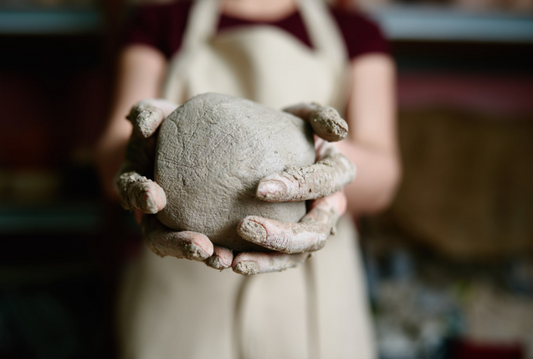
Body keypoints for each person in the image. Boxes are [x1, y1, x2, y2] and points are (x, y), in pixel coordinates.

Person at [95, 0, 400, 358]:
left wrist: (324, 157)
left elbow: (384, 177)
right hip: (183, 291)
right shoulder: (159, 22)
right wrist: (145, 144)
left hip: (314, 298)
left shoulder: (356, 32)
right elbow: (109, 163)